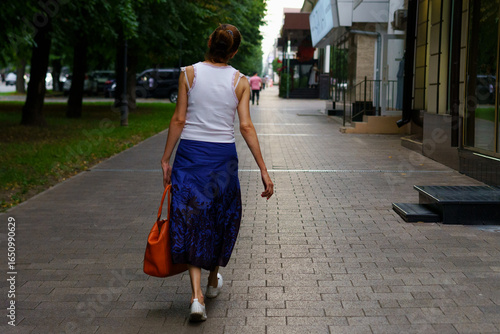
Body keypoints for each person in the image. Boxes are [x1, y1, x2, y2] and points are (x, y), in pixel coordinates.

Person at [160, 24, 274, 322]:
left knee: (191, 218)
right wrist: (263, 169)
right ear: (234, 51)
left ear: (209, 41)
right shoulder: (240, 81)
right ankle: (211, 283)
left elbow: (179, 118)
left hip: (190, 157)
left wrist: (165, 157)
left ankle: (197, 297)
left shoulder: (188, 73)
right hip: (222, 159)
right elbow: (246, 126)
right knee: (220, 217)